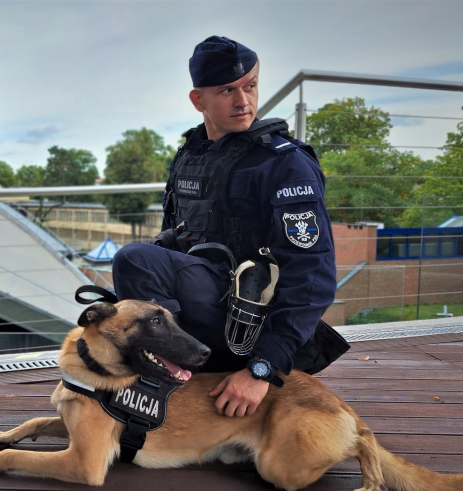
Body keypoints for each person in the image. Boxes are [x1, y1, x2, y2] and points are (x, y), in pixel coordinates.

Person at [112, 36, 345, 419]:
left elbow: (312, 277)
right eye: (226, 91)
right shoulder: (190, 155)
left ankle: (167, 394)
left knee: (135, 260)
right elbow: (176, 242)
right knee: (128, 283)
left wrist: (263, 367)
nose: (243, 102)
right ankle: (168, 381)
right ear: (198, 100)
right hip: (210, 309)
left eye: (250, 86)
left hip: (255, 326)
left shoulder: (284, 163)